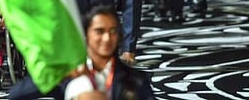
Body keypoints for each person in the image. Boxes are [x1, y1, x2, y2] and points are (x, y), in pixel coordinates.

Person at [9, 5, 154, 100]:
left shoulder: (135, 80)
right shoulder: (68, 75)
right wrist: (59, 75)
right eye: (99, 31)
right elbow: (16, 95)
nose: (107, 38)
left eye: (113, 31)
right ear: (85, 34)